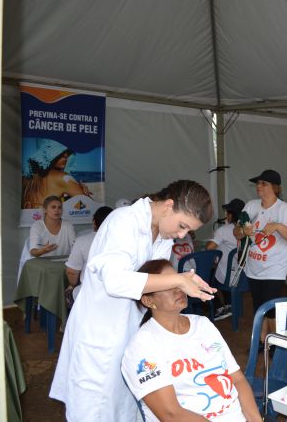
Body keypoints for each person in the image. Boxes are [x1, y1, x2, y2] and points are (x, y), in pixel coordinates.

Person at [50, 180, 215, 421]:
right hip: (100, 332)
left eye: (187, 231)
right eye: (182, 226)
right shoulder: (123, 221)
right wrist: (178, 280)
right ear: (168, 205)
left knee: (126, 407)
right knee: (94, 408)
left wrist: (183, 283)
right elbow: (116, 281)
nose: (182, 235)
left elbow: (153, 284)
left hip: (132, 330)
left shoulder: (163, 237)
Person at [122, 259, 260, 421]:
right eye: (169, 285)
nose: (179, 289)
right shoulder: (143, 346)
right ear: (148, 301)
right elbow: (171, 414)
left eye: (180, 281)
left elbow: (237, 378)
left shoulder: (203, 325)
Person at [234, 170, 287, 341]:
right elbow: (236, 232)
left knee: (271, 310)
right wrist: (243, 231)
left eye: (264, 183)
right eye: (258, 183)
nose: (259, 186)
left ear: (275, 188)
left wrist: (278, 226)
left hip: (274, 269)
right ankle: (263, 341)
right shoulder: (251, 206)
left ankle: (276, 344)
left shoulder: (284, 209)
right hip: (253, 267)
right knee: (259, 308)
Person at [22, 139, 92, 209]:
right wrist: (85, 195)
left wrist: (68, 198)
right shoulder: (63, 178)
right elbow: (88, 208)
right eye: (60, 152)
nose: (66, 155)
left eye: (67, 152)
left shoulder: (28, 177)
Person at [206, 198, 246, 320]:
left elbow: (209, 248)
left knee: (205, 276)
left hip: (228, 277)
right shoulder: (249, 230)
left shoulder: (224, 230)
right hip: (244, 276)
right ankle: (230, 304)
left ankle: (218, 308)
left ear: (231, 215)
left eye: (227, 213)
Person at [65, 206, 113, 303]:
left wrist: (72, 285)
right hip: (117, 294)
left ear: (94, 222)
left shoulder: (82, 241)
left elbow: (72, 272)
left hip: (89, 294)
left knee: (68, 293)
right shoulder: (126, 241)